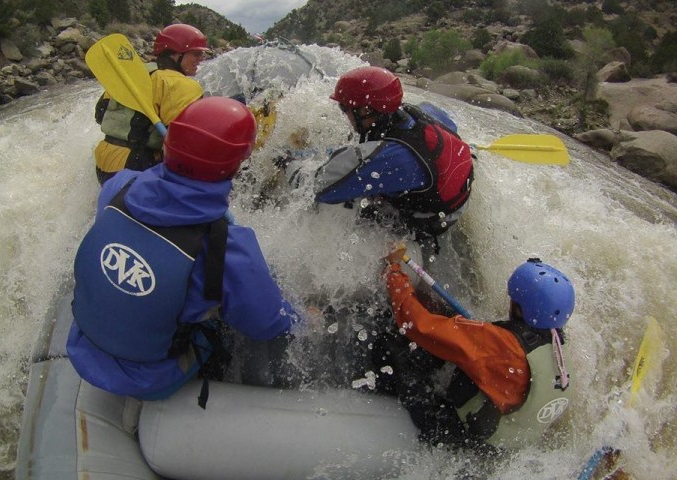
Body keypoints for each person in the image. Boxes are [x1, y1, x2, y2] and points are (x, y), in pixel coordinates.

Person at [68, 97, 302, 404]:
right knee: (240, 318)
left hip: (82, 346)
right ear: (236, 165)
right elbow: (267, 323)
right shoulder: (229, 248)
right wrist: (303, 318)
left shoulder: (119, 186)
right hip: (155, 377)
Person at [375, 248, 575, 451]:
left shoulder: (501, 346)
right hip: (512, 437)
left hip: (469, 438)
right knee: (451, 325)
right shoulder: (557, 342)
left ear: (518, 308)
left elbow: (416, 324)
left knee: (397, 352)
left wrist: (393, 271)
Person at [310, 66, 474, 254]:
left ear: (366, 110)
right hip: (454, 198)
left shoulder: (395, 158)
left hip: (431, 220)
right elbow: (451, 125)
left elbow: (320, 187)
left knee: (348, 206)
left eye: (344, 107)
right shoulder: (413, 113)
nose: (344, 114)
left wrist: (287, 163)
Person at [93, 24, 210, 185]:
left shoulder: (131, 75)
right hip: (134, 166)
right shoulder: (181, 85)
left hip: (103, 160)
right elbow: (184, 142)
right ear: (175, 55)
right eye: (196, 54)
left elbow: (100, 114)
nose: (201, 59)